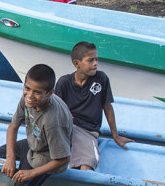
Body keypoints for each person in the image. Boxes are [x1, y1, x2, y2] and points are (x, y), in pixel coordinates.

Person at [54, 42, 132, 171]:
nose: (95, 63)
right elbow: (56, 109)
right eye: (90, 60)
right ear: (76, 63)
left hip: (88, 131)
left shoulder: (101, 78)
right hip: (67, 128)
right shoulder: (64, 82)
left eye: (96, 59)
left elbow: (107, 107)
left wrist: (115, 135)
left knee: (88, 163)